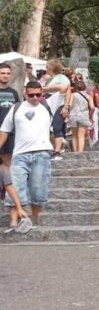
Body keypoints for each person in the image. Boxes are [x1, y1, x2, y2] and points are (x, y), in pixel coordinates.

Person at [0, 80, 54, 229]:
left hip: (42, 153)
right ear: (25, 93)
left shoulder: (47, 105)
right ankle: (14, 220)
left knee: (38, 188)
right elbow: (4, 130)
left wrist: (46, 88)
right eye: (31, 95)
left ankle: (34, 219)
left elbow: (65, 88)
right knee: (16, 186)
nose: (35, 98)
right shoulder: (16, 108)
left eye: (38, 94)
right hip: (19, 154)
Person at [0, 62, 29, 233]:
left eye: (7, 73)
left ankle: (7, 190)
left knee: (8, 164)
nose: (5, 76)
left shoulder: (13, 93)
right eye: (2, 73)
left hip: (11, 133)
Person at [41, 59, 71, 160]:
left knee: (56, 127)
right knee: (49, 128)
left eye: (47, 67)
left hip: (59, 104)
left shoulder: (62, 78)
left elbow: (67, 90)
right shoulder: (52, 78)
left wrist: (66, 106)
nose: (46, 69)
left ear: (51, 68)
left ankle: (57, 150)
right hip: (51, 104)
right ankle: (58, 145)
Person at [66, 74, 95, 153]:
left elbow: (69, 105)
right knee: (81, 136)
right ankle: (80, 152)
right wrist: (91, 115)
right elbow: (92, 107)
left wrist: (67, 115)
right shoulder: (88, 96)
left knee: (74, 136)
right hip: (84, 116)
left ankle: (75, 152)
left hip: (73, 115)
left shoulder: (72, 95)